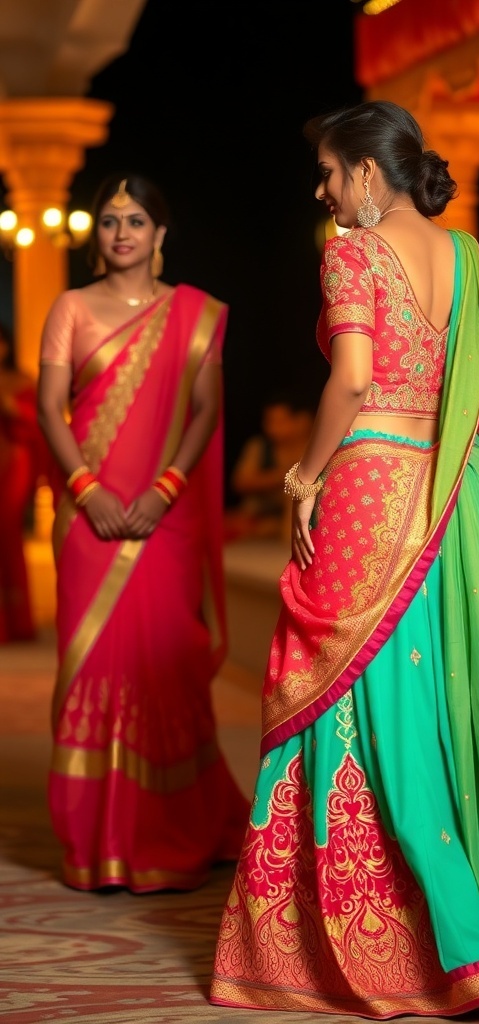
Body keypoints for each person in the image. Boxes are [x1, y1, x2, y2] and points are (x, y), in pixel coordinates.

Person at [210, 101, 479, 1017]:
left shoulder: (353, 253)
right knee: (452, 703)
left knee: (352, 695)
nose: (325, 190)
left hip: (370, 490)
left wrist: (303, 476)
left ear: (371, 174)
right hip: (460, 500)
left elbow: (354, 377)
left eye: (332, 172)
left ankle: (429, 943)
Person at [37, 173, 250, 892]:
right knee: (93, 666)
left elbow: (204, 410)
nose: (121, 232)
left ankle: (170, 832)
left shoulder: (193, 314)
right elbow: (48, 408)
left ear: (160, 236)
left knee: (165, 664)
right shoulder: (71, 308)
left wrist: (164, 491)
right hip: (87, 517)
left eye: (135, 221)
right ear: (94, 234)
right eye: (107, 220)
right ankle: (96, 842)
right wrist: (86, 489)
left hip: (167, 517)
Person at [0, 322, 44, 642]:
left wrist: (10, 407)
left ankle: (17, 622)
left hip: (12, 464)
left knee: (9, 535)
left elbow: (39, 423)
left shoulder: (21, 381)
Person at [225, 393, 314, 541]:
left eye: (280, 422)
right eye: (269, 421)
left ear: (302, 421)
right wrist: (286, 475)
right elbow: (241, 482)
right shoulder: (260, 447)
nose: (272, 428)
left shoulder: (316, 450)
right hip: (257, 517)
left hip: (299, 520)